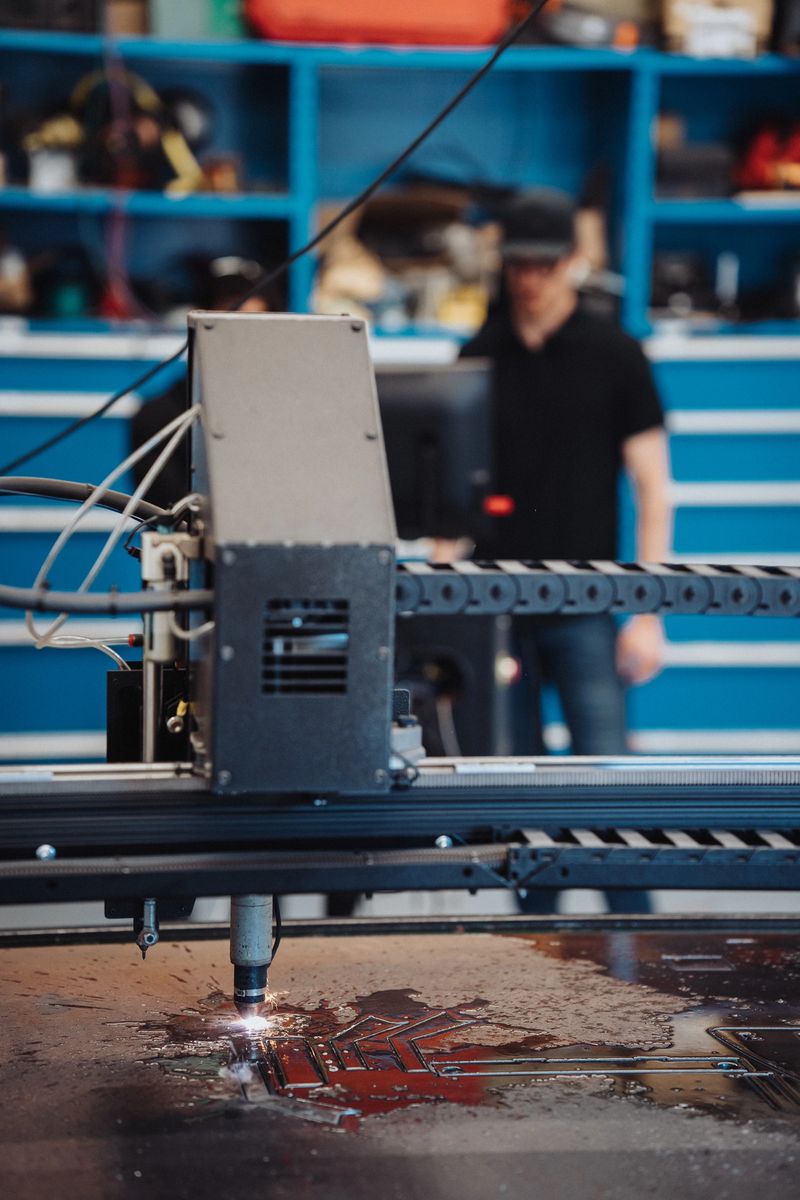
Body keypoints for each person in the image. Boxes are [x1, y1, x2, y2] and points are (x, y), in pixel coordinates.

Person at [460, 188, 671, 912]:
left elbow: (654, 487)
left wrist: (648, 615)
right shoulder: (480, 353)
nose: (530, 279)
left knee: (611, 790)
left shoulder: (617, 352)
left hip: (587, 607)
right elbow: (456, 485)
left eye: (546, 264)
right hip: (498, 607)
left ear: (573, 264)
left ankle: (639, 960)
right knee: (520, 794)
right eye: (519, 263)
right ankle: (538, 962)